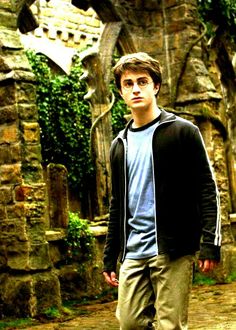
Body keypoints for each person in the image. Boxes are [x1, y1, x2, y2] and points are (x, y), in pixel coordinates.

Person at [102, 52, 221, 330]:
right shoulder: (119, 144)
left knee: (171, 325)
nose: (135, 89)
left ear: (155, 86)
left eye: (142, 82)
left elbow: (207, 188)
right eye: (128, 83)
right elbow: (117, 203)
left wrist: (210, 243)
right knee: (129, 323)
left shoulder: (183, 131)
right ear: (120, 91)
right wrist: (110, 254)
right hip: (133, 251)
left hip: (173, 249)